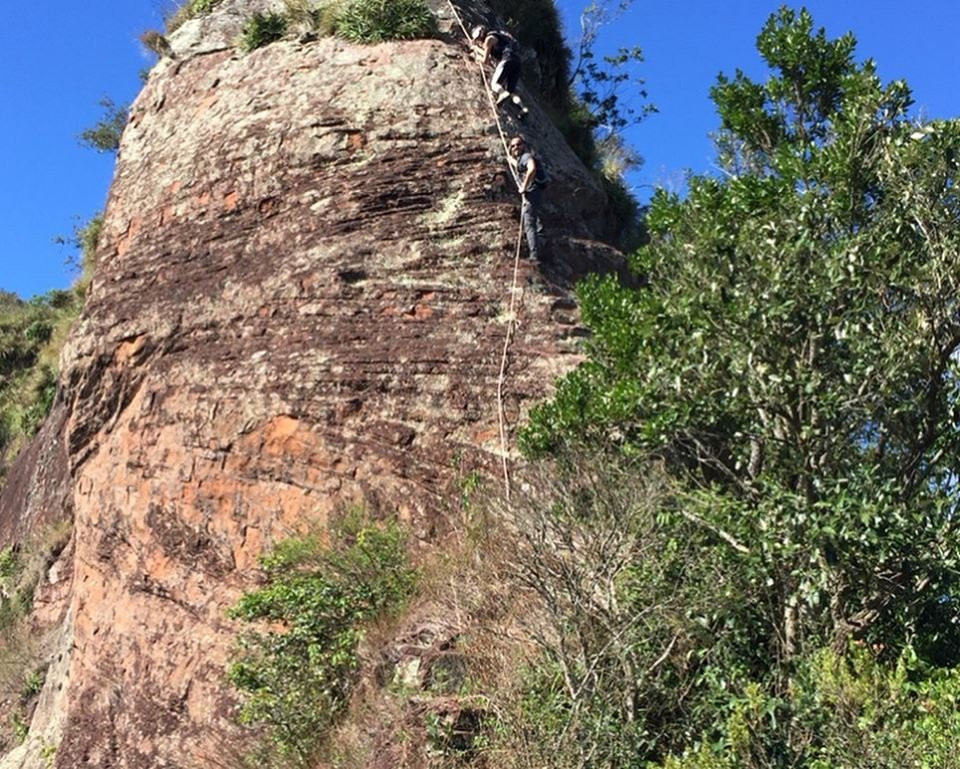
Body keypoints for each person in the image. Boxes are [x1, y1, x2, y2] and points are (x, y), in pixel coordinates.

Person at [470, 25, 529, 117]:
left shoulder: (489, 39)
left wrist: (476, 51)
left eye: (478, 38)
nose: (479, 40)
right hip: (517, 61)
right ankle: (523, 108)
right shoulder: (499, 37)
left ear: (481, 34)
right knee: (511, 91)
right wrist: (478, 49)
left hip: (507, 59)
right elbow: (489, 55)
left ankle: (502, 93)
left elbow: (486, 60)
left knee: (495, 84)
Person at [509, 136, 546, 261]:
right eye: (513, 146)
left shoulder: (526, 156)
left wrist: (523, 187)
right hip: (536, 192)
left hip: (530, 192)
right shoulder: (521, 160)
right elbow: (519, 165)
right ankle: (541, 243)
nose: (515, 147)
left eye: (518, 144)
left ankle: (534, 254)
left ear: (523, 145)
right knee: (536, 220)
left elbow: (532, 169)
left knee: (529, 222)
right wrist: (510, 159)